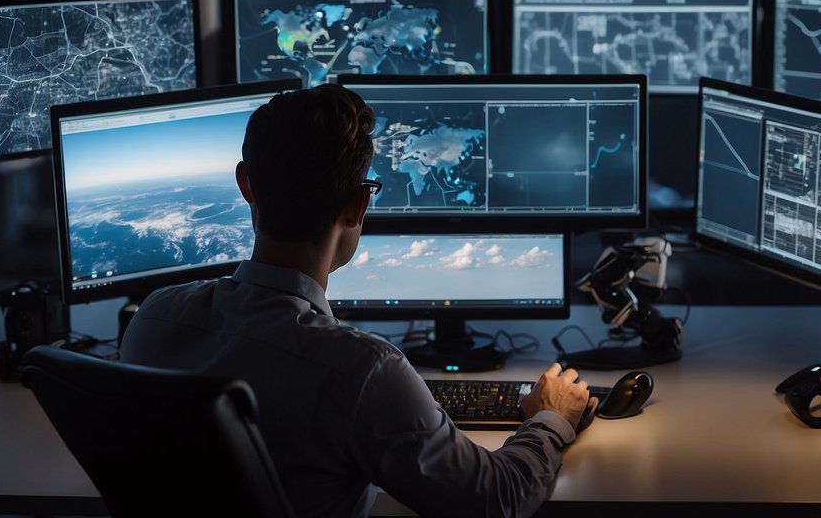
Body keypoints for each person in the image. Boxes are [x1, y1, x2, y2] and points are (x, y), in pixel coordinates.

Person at [120, 84, 595, 518]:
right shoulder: (362, 369)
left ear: (246, 184)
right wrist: (551, 417)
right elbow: (497, 499)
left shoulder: (154, 317)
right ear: (358, 205)